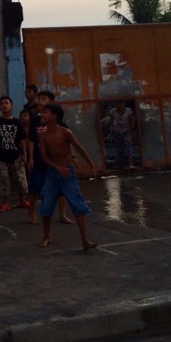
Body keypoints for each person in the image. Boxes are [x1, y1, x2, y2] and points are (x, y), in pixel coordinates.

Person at [37, 103, 97, 250]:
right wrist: (57, 167)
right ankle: (46, 236)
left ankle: (85, 240)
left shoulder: (65, 132)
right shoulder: (43, 136)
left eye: (45, 112)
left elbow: (79, 147)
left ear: (54, 116)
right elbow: (44, 157)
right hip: (52, 174)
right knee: (46, 205)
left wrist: (91, 164)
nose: (41, 115)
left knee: (77, 204)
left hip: (68, 173)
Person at [27, 90, 73, 225]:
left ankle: (62, 214)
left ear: (51, 102)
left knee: (61, 188)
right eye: (39, 99)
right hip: (39, 159)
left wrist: (71, 157)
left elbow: (67, 141)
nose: (40, 101)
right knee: (35, 187)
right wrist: (30, 157)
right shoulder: (36, 120)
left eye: (44, 99)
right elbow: (31, 139)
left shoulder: (60, 124)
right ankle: (31, 212)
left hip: (55, 160)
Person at [0, 96, 29, 212]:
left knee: (20, 180)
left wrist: (24, 155)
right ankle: (5, 203)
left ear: (11, 106)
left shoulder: (17, 122)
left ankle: (22, 200)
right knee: (4, 181)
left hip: (16, 156)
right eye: (2, 103)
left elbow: (22, 140)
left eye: (6, 103)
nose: (4, 105)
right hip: (2, 158)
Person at [106, 102, 135, 170]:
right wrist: (113, 129)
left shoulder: (128, 111)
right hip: (117, 131)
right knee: (119, 148)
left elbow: (130, 122)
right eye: (118, 104)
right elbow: (111, 122)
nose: (120, 105)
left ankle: (130, 164)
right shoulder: (113, 111)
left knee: (128, 146)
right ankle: (122, 165)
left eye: (121, 103)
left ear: (124, 104)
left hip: (126, 130)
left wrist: (129, 133)